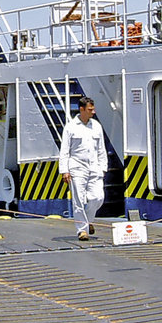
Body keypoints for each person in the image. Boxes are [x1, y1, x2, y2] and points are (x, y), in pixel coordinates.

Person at [59, 96, 107, 240]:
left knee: (98, 198)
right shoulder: (71, 127)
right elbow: (65, 151)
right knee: (78, 200)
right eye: (90, 109)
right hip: (77, 168)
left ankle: (88, 221)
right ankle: (82, 230)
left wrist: (103, 167)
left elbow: (101, 149)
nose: (93, 112)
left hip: (94, 167)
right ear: (82, 109)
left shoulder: (96, 126)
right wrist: (64, 170)